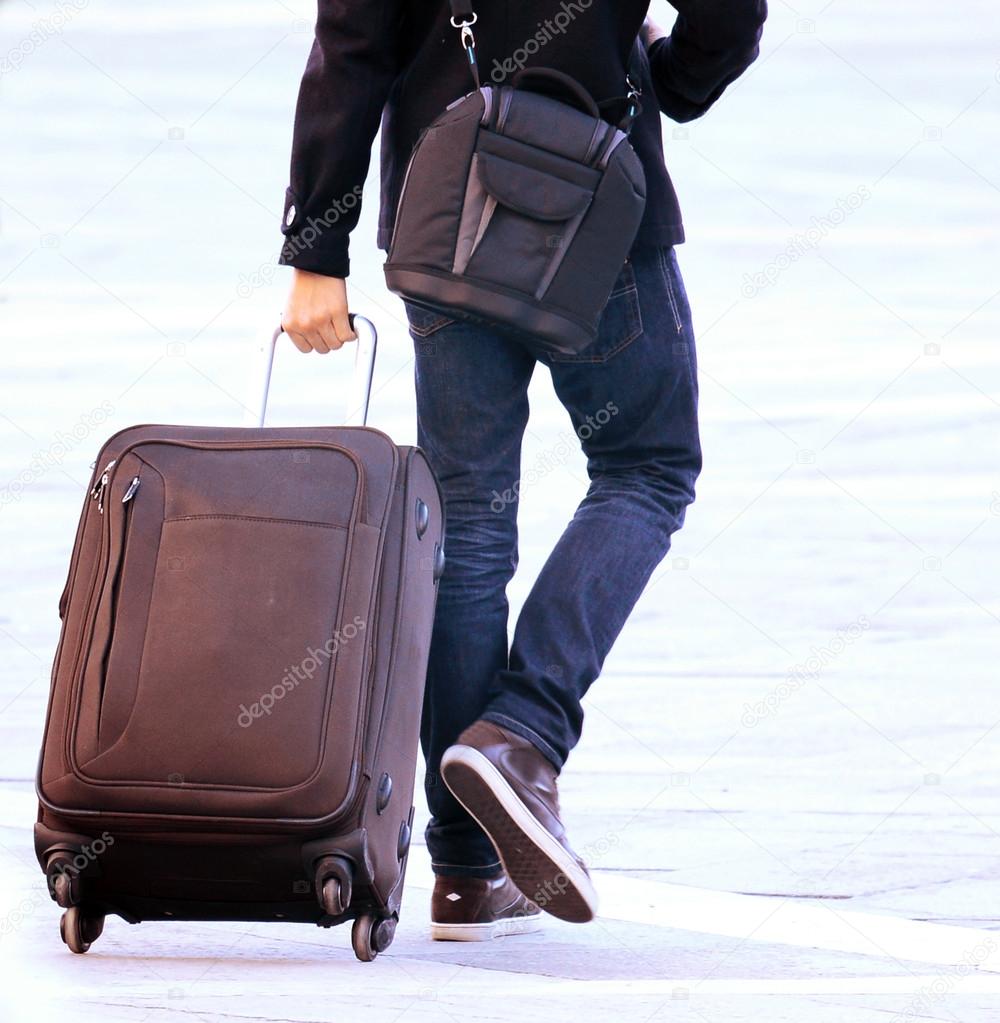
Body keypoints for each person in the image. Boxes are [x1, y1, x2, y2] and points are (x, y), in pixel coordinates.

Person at [279, 1, 767, 940]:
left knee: (467, 526)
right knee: (649, 465)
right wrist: (678, 79)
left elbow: (352, 39)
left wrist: (315, 249)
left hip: (443, 196)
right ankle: (526, 735)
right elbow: (727, 12)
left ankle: (465, 871)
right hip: (598, 192)